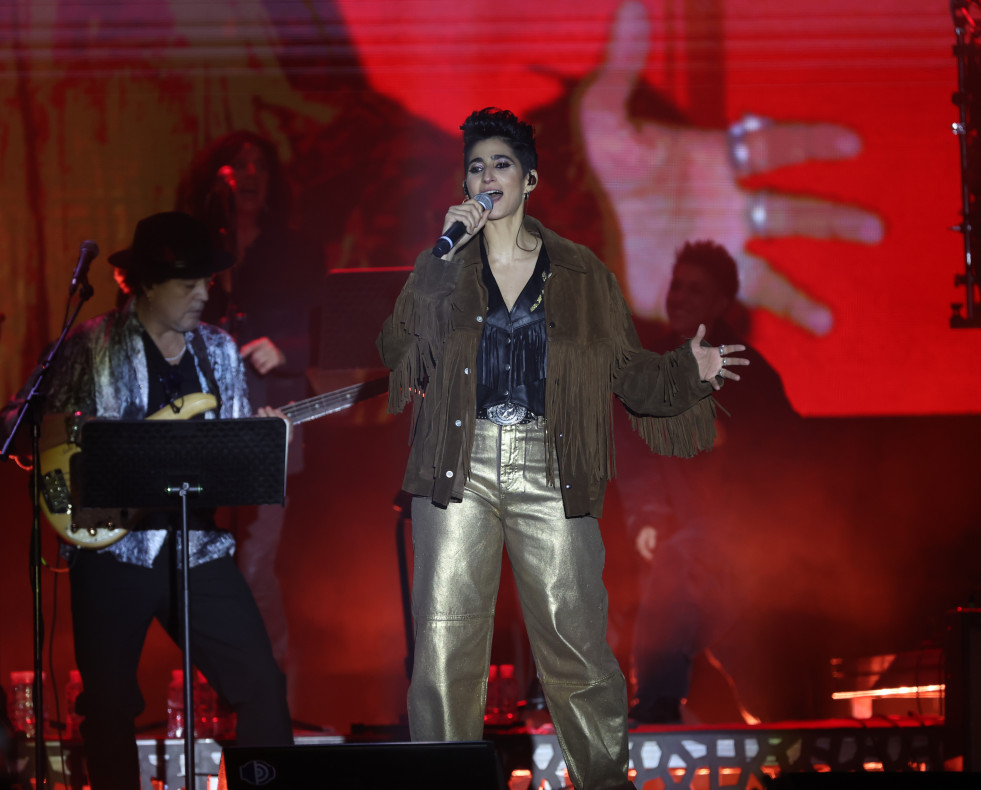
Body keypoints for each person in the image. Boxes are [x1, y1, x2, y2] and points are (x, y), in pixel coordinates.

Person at [376, 108, 749, 790]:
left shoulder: (579, 274)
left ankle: (603, 782)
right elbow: (399, 350)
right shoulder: (446, 266)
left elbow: (626, 372)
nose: (485, 177)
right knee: (444, 648)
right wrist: (439, 256)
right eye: (475, 166)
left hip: (550, 464)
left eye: (500, 165)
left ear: (530, 179)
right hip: (456, 467)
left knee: (575, 645)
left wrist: (682, 373)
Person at [2, 212, 293, 790]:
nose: (204, 294)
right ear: (144, 286)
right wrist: (67, 458)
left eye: (207, 282)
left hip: (198, 550)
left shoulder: (220, 350)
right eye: (189, 285)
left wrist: (263, 438)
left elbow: (237, 457)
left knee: (261, 684)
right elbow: (22, 422)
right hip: (111, 552)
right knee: (107, 706)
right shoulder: (88, 345)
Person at [615, 240, 801, 724]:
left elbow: (785, 466)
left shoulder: (750, 377)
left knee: (772, 699)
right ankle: (661, 708)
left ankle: (658, 705)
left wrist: (728, 444)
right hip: (683, 557)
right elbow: (633, 456)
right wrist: (647, 517)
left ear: (721, 305)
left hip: (741, 555)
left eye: (696, 290)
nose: (680, 297)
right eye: (677, 285)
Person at [177, 130, 326, 674]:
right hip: (198, 416)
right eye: (238, 164)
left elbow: (329, 334)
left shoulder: (296, 250)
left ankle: (270, 691)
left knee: (255, 557)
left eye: (259, 163)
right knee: (200, 559)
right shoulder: (193, 251)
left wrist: (281, 350)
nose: (250, 173)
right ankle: (217, 690)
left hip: (273, 414)